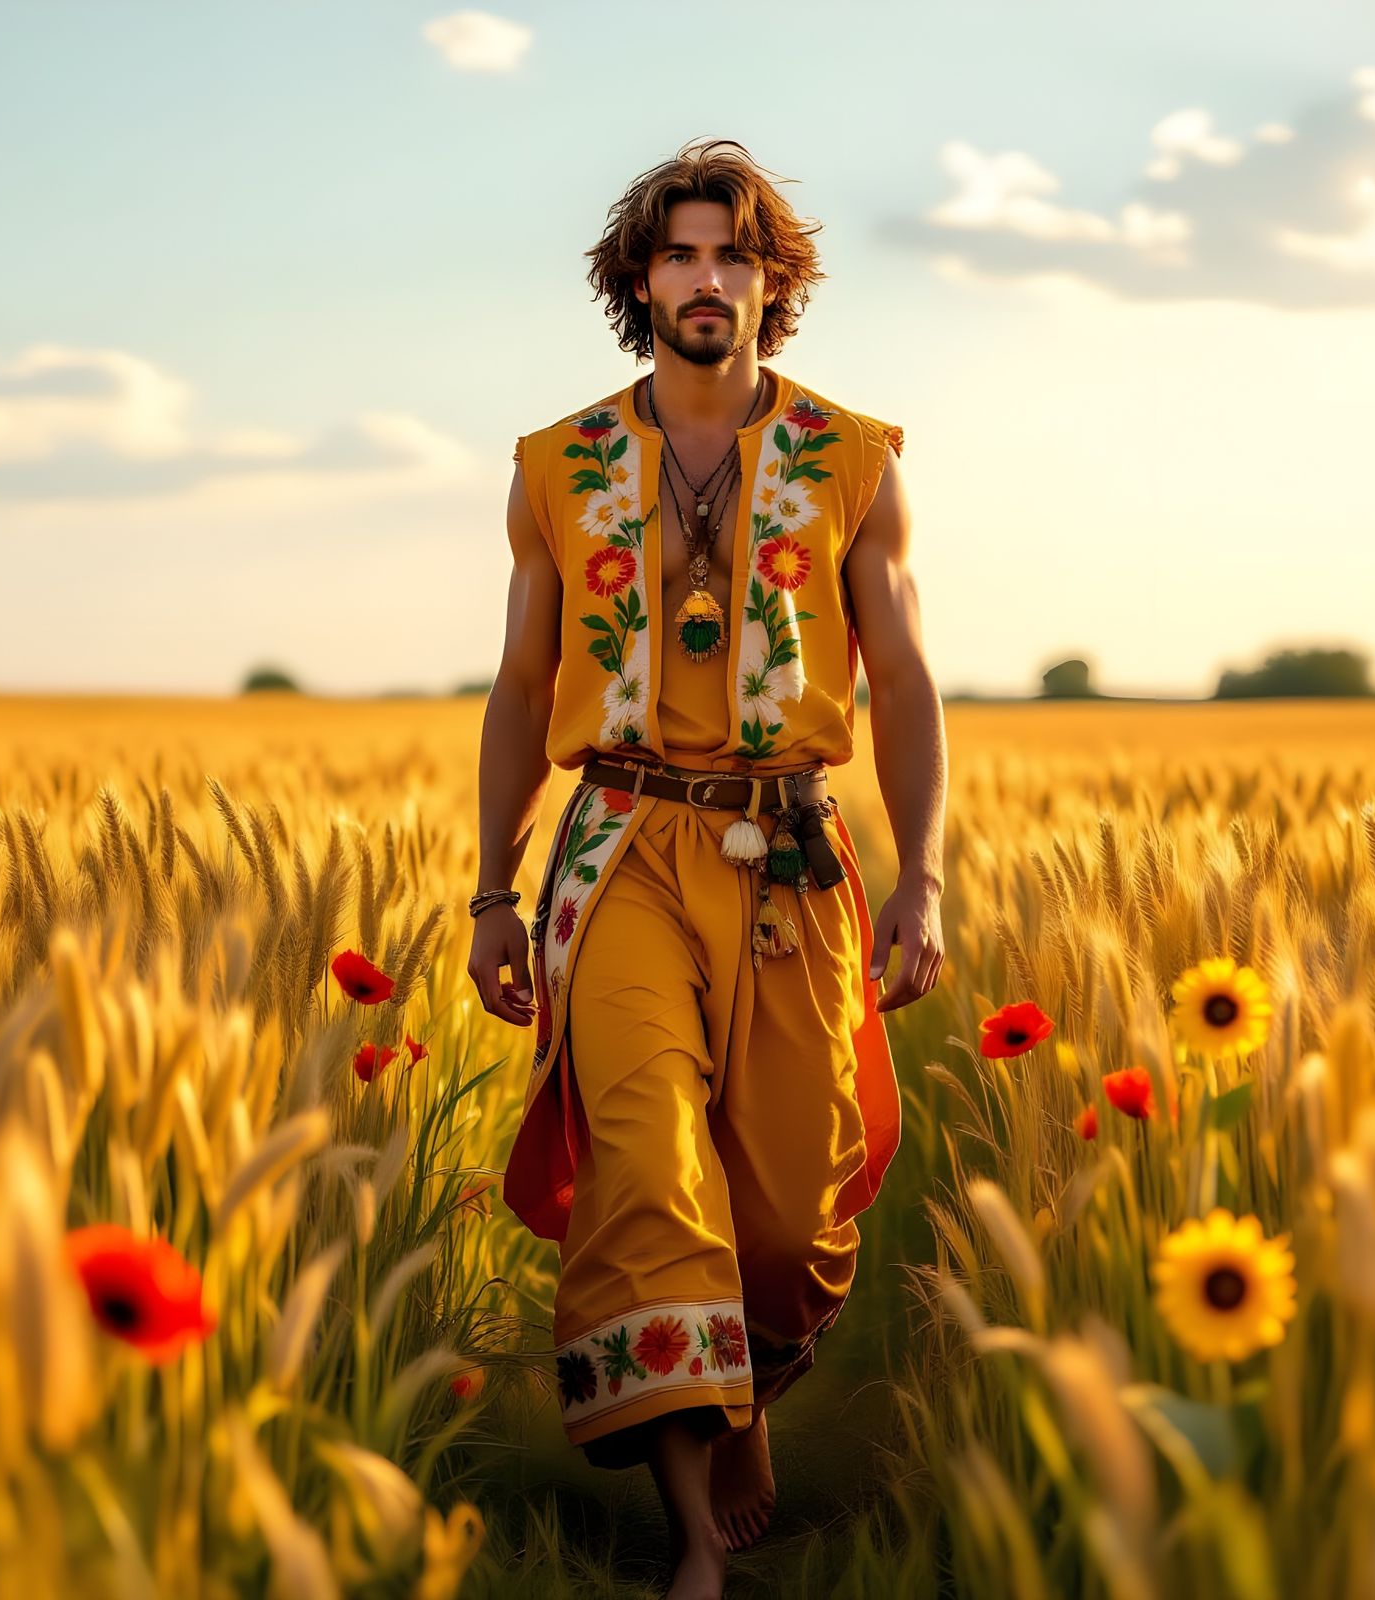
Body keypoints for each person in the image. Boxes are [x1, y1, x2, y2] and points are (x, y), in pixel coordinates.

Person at [468, 137, 946, 1600]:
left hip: (790, 852)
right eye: (679, 253)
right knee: (646, 1161)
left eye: (733, 254)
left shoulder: (853, 459)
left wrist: (921, 875)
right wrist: (493, 887)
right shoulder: (556, 467)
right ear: (638, 280)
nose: (706, 277)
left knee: (793, 1218)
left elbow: (908, 680)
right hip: (616, 849)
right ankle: (691, 1537)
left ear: (773, 283)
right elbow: (518, 681)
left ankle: (741, 1393)